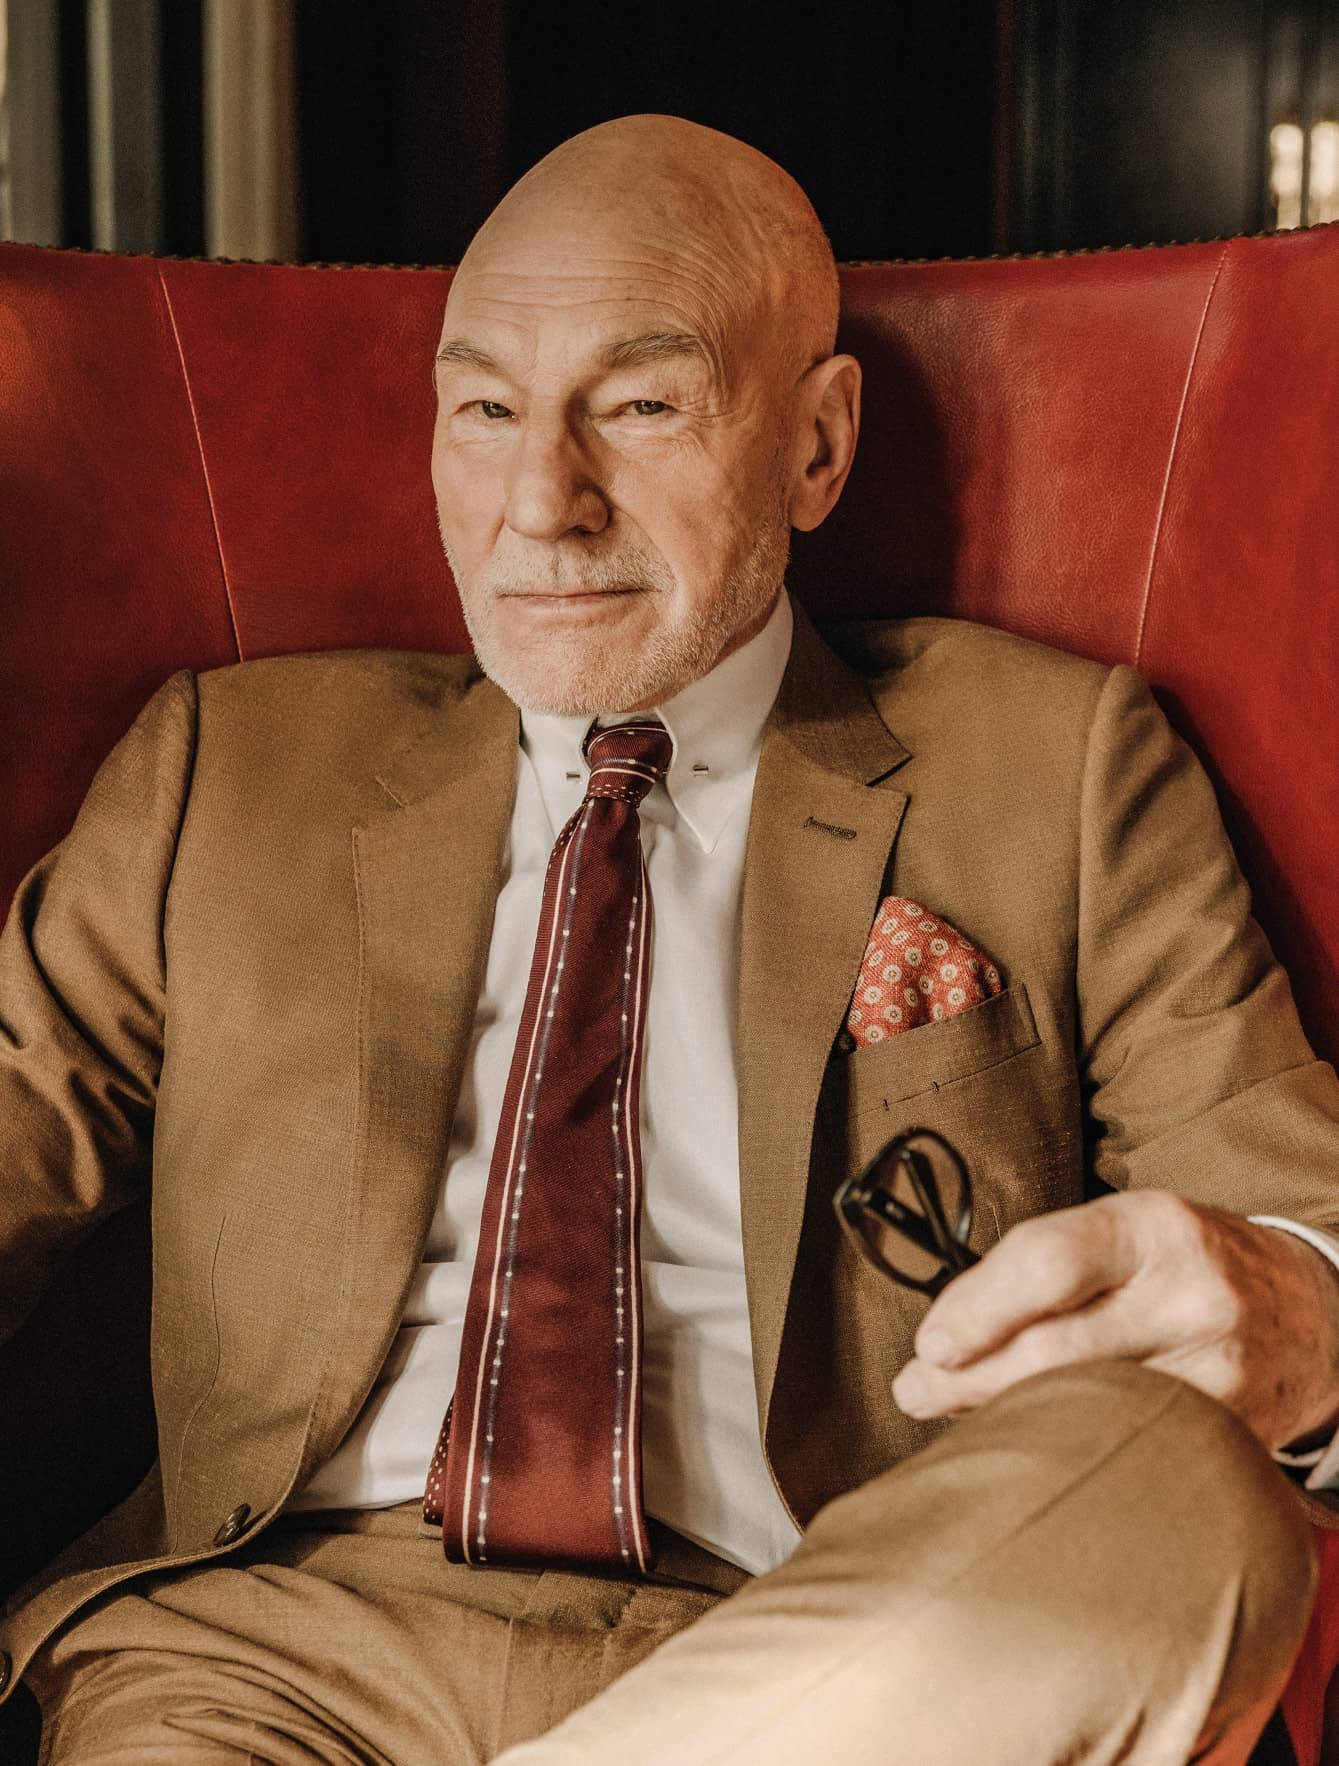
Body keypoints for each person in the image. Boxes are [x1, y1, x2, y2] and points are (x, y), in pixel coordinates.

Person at [4, 112, 1339, 1766]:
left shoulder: (1056, 767)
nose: (543, 503)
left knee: (1189, 1494)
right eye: (485, 411)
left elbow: (1298, 1226)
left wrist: (1297, 1305)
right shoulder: (230, 767)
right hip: (267, 1656)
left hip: (846, 1643)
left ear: (817, 445)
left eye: (638, 407)